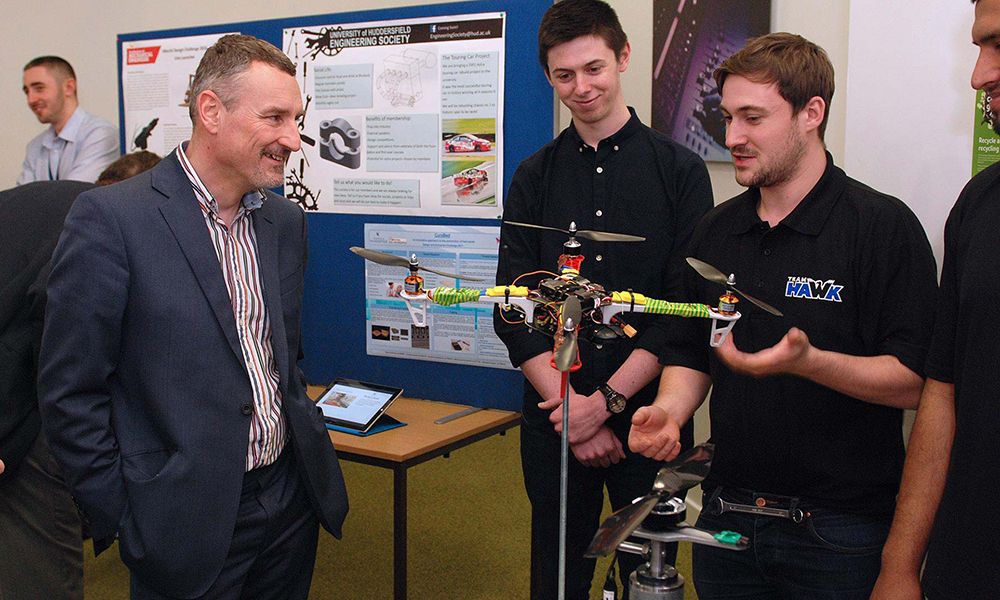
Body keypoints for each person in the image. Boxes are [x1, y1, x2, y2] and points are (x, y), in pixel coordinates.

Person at [628, 33, 938, 600]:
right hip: (726, 518)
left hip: (839, 531)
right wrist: (670, 412)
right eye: (727, 117)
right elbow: (692, 348)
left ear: (811, 113)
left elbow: (916, 382)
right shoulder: (715, 231)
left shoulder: (881, 227)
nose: (732, 138)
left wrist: (812, 363)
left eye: (752, 118)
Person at [38, 35, 348, 600]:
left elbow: (280, 359)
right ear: (210, 111)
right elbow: (70, 391)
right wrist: (125, 514)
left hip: (287, 502)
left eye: (296, 119)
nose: (292, 139)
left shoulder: (283, 221)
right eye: (274, 117)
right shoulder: (112, 219)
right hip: (180, 519)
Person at [494, 1, 713, 597]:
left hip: (649, 419)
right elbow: (513, 308)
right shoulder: (533, 177)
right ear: (547, 76)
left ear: (623, 57)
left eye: (594, 69)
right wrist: (575, 412)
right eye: (564, 76)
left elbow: (684, 312)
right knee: (557, 577)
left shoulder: (680, 172)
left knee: (648, 578)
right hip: (555, 420)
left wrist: (608, 403)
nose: (581, 87)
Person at [871, 1, 1000, 598]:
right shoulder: (979, 205)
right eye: (979, 47)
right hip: (969, 560)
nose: (979, 75)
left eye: (999, 45)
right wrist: (900, 565)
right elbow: (942, 392)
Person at [0, 153, 161, 600]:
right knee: (39, 554)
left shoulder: (54, 201)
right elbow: (35, 345)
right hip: (17, 397)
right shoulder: (94, 230)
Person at [18, 56, 119, 185]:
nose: (30, 99)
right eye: (27, 91)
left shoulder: (101, 134)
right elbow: (20, 199)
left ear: (69, 87)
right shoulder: (35, 147)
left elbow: (73, 194)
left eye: (39, 88)